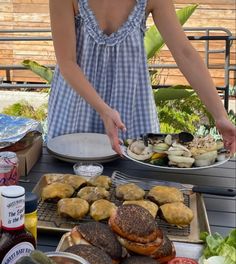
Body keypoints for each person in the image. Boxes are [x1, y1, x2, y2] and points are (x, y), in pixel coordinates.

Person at [47, 0, 236, 155]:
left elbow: (184, 53)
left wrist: (220, 115)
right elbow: (67, 62)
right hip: (77, 107)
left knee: (137, 189)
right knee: (66, 187)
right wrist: (104, 110)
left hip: (129, 109)